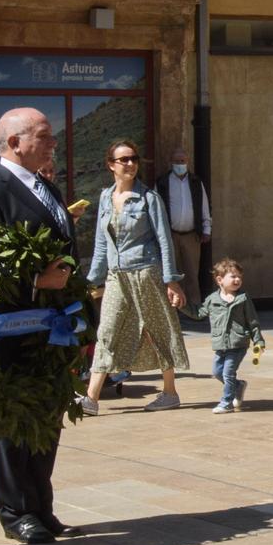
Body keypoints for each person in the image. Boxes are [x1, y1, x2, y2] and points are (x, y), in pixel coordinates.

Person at [0, 108, 83, 545]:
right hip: (13, 326)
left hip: (53, 326)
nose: (53, 143)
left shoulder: (46, 186)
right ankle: (16, 512)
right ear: (15, 142)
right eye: (45, 136)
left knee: (47, 415)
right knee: (15, 421)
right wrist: (34, 281)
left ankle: (41, 506)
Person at [83, 140, 190, 414]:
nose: (130, 164)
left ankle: (170, 392)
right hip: (116, 276)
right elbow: (101, 244)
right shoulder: (105, 198)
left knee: (157, 329)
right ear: (111, 165)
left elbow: (164, 240)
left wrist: (171, 280)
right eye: (124, 159)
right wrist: (90, 281)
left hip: (146, 272)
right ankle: (91, 398)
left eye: (134, 159)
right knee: (107, 330)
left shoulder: (148, 198)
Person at [184, 258, 266, 413]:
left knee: (228, 373)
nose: (237, 280)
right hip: (220, 344)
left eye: (239, 277)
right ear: (219, 280)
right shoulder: (212, 299)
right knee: (217, 373)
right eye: (233, 276)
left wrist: (258, 341)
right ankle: (238, 385)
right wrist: (182, 306)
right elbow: (198, 313)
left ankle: (226, 402)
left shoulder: (243, 298)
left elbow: (252, 321)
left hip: (238, 343)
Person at [155, 145, 212, 298]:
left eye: (182, 161)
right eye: (176, 161)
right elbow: (155, 210)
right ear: (170, 162)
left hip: (191, 236)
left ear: (187, 161)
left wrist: (206, 229)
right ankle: (175, 307)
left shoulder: (195, 182)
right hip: (170, 235)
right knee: (172, 273)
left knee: (192, 273)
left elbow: (204, 206)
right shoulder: (162, 183)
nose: (180, 164)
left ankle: (194, 306)